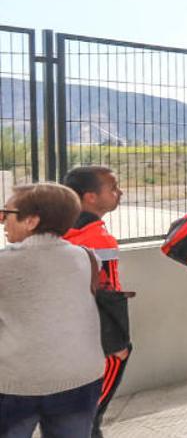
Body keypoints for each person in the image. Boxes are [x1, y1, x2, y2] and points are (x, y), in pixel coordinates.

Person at [0, 183, 104, 438]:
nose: (2, 220)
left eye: (7, 213)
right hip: (81, 378)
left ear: (32, 221)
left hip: (16, 383)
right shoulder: (88, 257)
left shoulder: (5, 264)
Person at [61, 166, 128, 438]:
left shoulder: (59, 229)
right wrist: (118, 346)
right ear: (90, 197)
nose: (119, 192)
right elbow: (108, 296)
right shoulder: (97, 238)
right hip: (99, 344)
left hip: (61, 341)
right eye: (112, 188)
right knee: (89, 417)